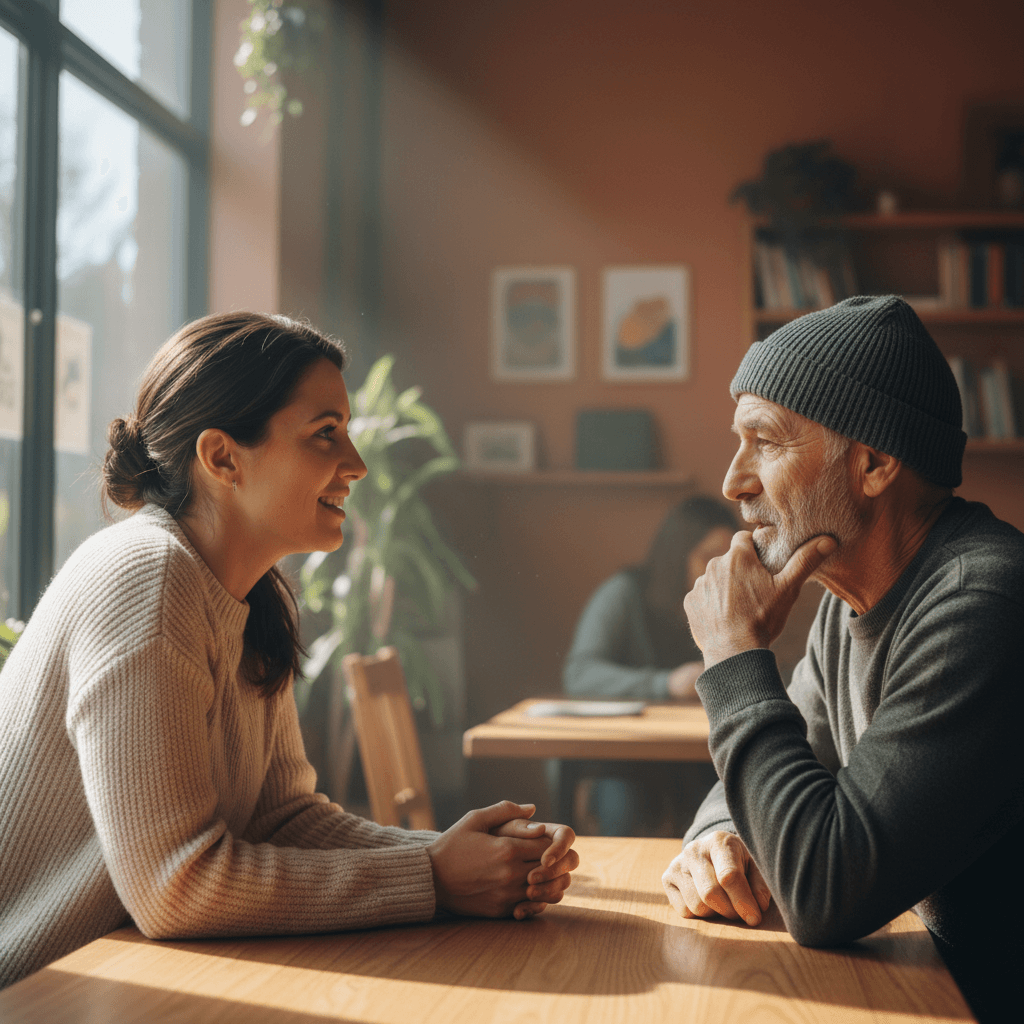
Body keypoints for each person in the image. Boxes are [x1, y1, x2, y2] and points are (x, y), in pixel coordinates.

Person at [0, 312, 578, 990]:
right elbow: (175, 885)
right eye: (324, 433)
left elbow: (283, 819)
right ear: (222, 458)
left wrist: (456, 856)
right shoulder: (146, 579)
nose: (356, 465)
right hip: (39, 993)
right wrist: (433, 877)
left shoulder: (246, 595)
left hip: (119, 981)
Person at [660, 295, 1022, 1023]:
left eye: (764, 441)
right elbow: (780, 766)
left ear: (876, 462)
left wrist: (733, 652)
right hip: (926, 990)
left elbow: (825, 892)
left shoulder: (985, 601)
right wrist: (716, 839)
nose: (733, 481)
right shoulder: (845, 602)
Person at [560, 495, 735, 835]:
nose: (720, 570)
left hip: (700, 759)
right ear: (676, 556)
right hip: (622, 760)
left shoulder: (726, 605)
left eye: (727, 559)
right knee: (624, 807)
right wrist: (667, 684)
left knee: (726, 814)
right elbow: (579, 674)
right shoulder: (623, 594)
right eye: (709, 557)